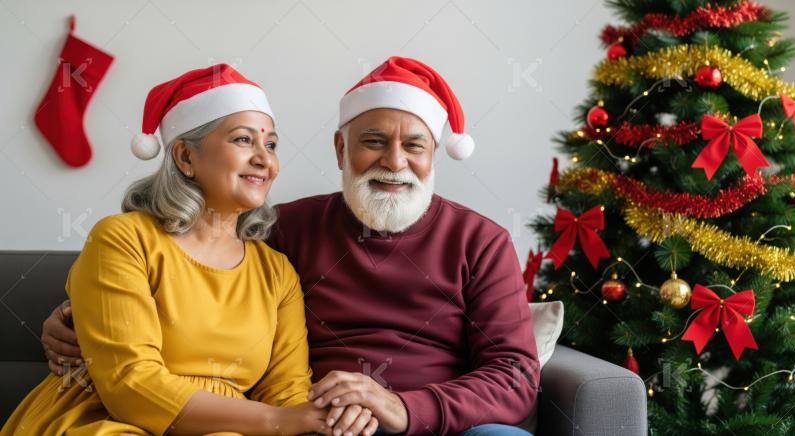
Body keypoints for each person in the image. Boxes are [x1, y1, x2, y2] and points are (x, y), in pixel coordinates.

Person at [41, 57, 540, 435]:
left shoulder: (481, 240)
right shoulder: (284, 231)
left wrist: (406, 407)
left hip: (438, 424)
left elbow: (516, 375)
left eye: (414, 145)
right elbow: (183, 279)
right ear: (341, 149)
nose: (395, 161)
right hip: (320, 421)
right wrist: (76, 318)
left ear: (434, 156)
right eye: (373, 141)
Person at [2, 64, 376, 436]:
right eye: (244, 140)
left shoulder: (277, 272)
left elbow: (286, 391)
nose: (265, 158)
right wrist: (276, 421)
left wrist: (333, 418)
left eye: (271, 144)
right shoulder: (121, 239)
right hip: (108, 421)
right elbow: (129, 384)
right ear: (184, 157)